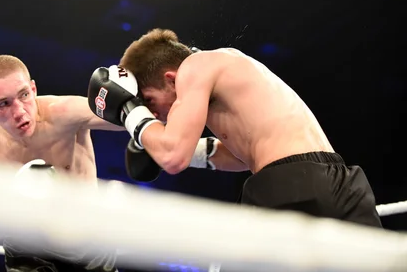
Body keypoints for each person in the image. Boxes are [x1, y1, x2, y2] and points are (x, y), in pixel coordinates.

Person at [87, 28, 382, 228]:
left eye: (150, 101)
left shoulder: (195, 67)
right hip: (344, 183)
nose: (155, 114)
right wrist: (187, 152)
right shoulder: (229, 69)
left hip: (291, 185)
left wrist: (130, 112)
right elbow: (243, 156)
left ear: (171, 77)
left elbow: (173, 156)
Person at [0, 55, 124, 272]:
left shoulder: (65, 113)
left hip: (87, 236)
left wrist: (134, 97)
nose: (19, 111)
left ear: (33, 89)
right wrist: (16, 199)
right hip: (28, 246)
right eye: (3, 104)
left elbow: (127, 121)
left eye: (23, 95)